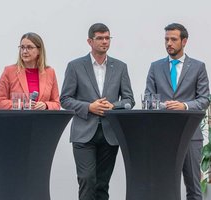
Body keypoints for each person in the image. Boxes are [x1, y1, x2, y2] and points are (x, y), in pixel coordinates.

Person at [60, 23, 135, 200]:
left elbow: (129, 100)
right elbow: (65, 99)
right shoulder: (75, 66)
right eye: (100, 38)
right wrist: (88, 107)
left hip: (110, 134)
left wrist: (113, 106)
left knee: (102, 184)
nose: (104, 42)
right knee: (86, 180)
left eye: (107, 38)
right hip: (83, 133)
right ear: (90, 41)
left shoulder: (120, 67)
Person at [145, 23, 210, 200]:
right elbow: (149, 98)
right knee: (164, 186)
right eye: (166, 39)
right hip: (163, 135)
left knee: (194, 188)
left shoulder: (198, 67)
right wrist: (163, 105)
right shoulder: (155, 67)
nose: (169, 43)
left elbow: (204, 99)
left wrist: (185, 106)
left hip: (190, 135)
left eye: (173, 39)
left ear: (184, 41)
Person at [0, 32, 60, 110]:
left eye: (29, 47)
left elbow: (56, 104)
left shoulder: (50, 72)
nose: (24, 51)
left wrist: (45, 105)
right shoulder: (9, 71)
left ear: (39, 50)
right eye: (22, 47)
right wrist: (23, 105)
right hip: (16, 120)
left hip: (42, 121)